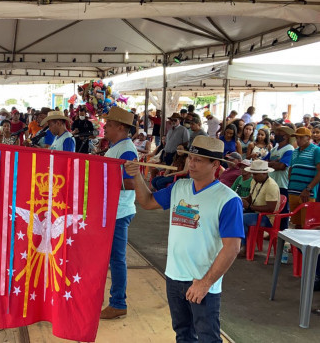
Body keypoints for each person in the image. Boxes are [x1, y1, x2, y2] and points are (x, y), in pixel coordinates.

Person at [125, 136, 243, 342]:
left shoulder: (228, 199)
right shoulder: (180, 187)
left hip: (201, 281)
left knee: (208, 337)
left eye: (198, 159)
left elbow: (232, 248)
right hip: (174, 276)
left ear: (215, 165)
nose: (192, 163)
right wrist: (136, 177)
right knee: (183, 333)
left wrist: (205, 283)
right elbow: (147, 201)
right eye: (191, 158)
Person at [98, 107, 138, 319]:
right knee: (111, 258)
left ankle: (118, 302)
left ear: (120, 127)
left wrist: (102, 180)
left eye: (109, 125)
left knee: (116, 259)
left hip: (118, 212)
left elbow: (131, 182)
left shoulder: (127, 150)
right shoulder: (117, 147)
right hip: (111, 210)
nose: (105, 127)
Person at [239, 160, 280, 256]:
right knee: (235, 213)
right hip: (255, 212)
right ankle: (238, 242)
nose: (253, 176)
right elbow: (250, 197)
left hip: (268, 218)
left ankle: (244, 246)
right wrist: (241, 200)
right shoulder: (255, 181)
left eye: (256, 174)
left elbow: (271, 208)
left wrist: (249, 206)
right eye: (253, 174)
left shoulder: (271, 186)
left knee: (242, 219)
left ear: (265, 173)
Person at [287, 127, 320, 228]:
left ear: (308, 137)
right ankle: (295, 245)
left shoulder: (316, 150)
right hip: (293, 192)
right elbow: (291, 168)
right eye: (297, 137)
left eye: (301, 137)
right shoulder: (295, 151)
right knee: (296, 224)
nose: (298, 140)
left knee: (306, 226)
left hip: (306, 193)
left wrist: (308, 188)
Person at [264, 126, 293, 230]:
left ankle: (282, 234)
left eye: (279, 133)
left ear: (285, 136)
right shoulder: (275, 149)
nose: (276, 135)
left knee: (283, 210)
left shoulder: (289, 149)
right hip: (272, 183)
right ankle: (273, 230)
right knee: (273, 210)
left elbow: (282, 166)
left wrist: (270, 163)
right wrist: (275, 162)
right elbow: (263, 162)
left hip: (282, 183)